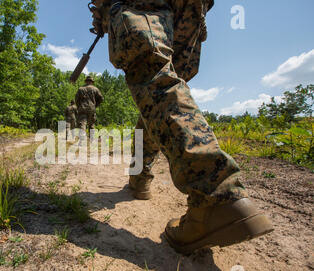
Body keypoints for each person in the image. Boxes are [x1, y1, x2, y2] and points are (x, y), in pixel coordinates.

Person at [90, 0, 273, 255]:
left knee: (152, 75)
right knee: (157, 92)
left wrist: (102, 10)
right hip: (193, 8)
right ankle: (140, 177)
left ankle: (216, 196)